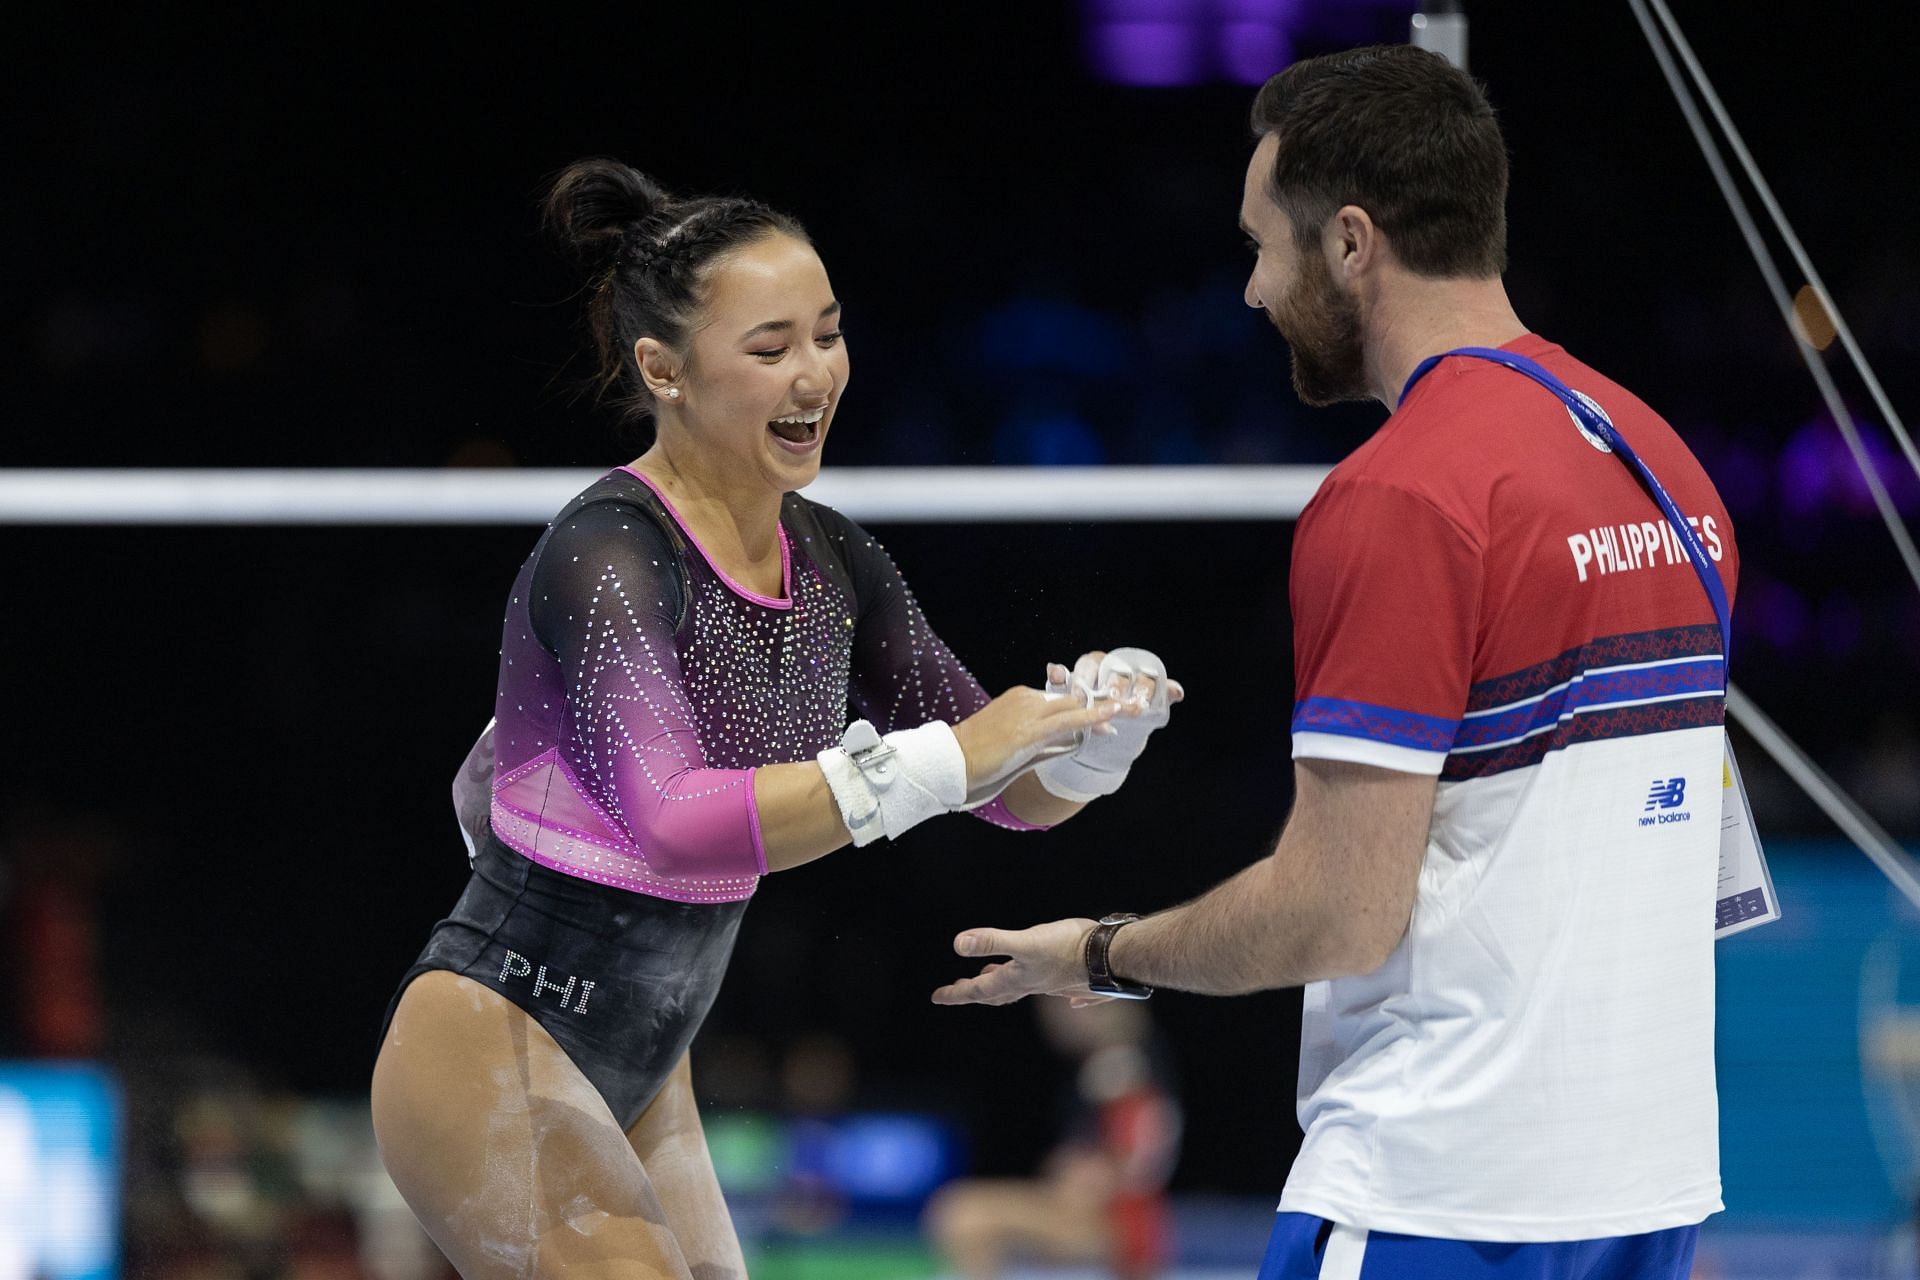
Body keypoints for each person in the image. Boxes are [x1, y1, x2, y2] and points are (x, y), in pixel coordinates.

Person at [934, 45, 1736, 1280]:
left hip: (1444, 1188)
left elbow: (1339, 912)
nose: (1252, 291)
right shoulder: (1666, 464)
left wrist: (1101, 952)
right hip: (1647, 1188)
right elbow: (1702, 857)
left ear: (1353, 241)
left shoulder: (1401, 495)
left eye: (1265, 245)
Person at [368, 159, 1181, 1279]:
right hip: (494, 1040)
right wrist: (957, 753)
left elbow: (1006, 796)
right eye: (769, 348)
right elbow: (678, 823)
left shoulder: (836, 561)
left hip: (653, 1066)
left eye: (829, 333)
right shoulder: (609, 550)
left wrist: (1091, 744)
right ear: (664, 370)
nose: (816, 375)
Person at [924, 998, 1180, 1279]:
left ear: (1090, 1003)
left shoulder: (1118, 1067)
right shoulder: (1120, 1061)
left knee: (963, 1215)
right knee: (962, 1211)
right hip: (1110, 1219)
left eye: (1058, 1006)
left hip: (1118, 1226)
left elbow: (1131, 1162)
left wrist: (1080, 1177)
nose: (1050, 1019)